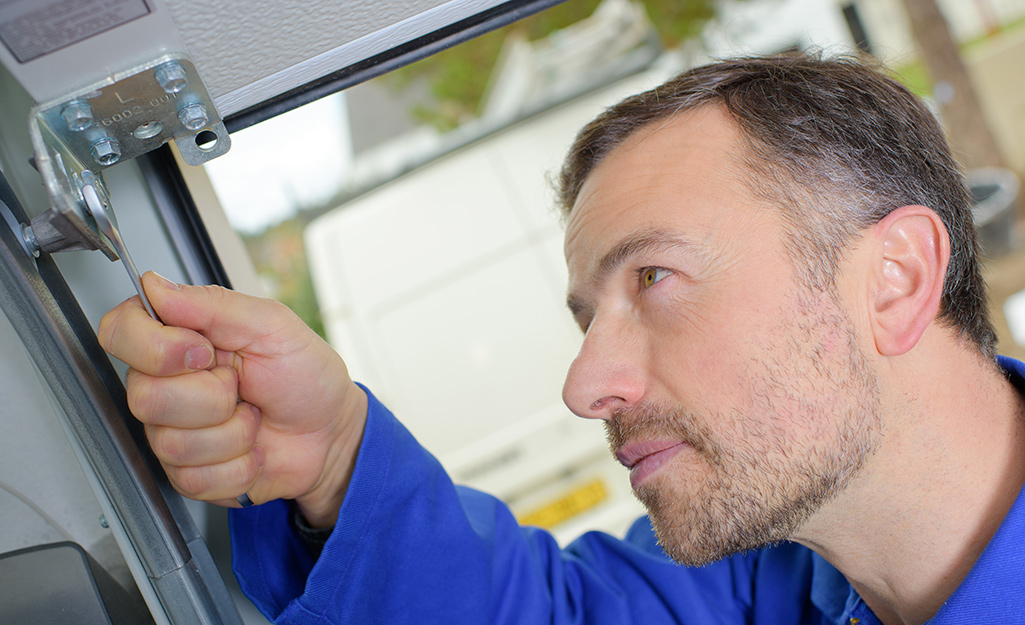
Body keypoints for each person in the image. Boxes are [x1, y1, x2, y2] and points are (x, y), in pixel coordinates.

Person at [98, 53, 1025, 625]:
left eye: (653, 278)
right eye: (588, 319)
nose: (585, 385)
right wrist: (336, 458)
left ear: (893, 279)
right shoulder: (780, 578)